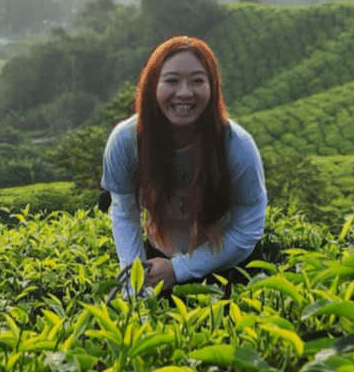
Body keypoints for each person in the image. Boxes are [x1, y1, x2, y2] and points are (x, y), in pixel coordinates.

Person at [101, 35, 267, 294]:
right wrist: (134, 280)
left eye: (198, 81)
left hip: (227, 263)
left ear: (213, 87)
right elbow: (124, 212)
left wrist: (180, 270)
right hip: (161, 258)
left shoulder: (237, 146)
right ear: (152, 85)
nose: (185, 92)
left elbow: (249, 227)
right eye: (172, 81)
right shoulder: (127, 141)